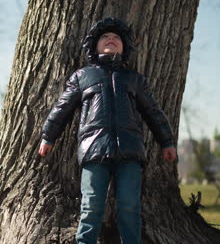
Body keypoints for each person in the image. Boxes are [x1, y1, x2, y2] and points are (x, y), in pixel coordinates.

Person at [38, 17, 177, 244]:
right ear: (95, 45)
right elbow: (62, 108)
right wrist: (48, 136)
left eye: (116, 38)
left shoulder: (133, 79)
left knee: (129, 206)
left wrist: (167, 141)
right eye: (105, 37)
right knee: (91, 205)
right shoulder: (83, 77)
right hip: (94, 150)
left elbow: (153, 111)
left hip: (130, 151)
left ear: (124, 47)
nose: (111, 39)